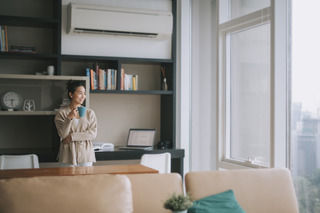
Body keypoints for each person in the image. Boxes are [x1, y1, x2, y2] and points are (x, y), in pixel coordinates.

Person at [54, 80, 97, 167]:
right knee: (68, 181)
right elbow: (62, 134)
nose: (83, 96)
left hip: (86, 155)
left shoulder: (90, 113)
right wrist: (69, 118)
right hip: (67, 156)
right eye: (80, 93)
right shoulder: (61, 114)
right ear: (71, 94)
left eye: (84, 94)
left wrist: (72, 136)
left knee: (85, 180)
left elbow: (92, 133)